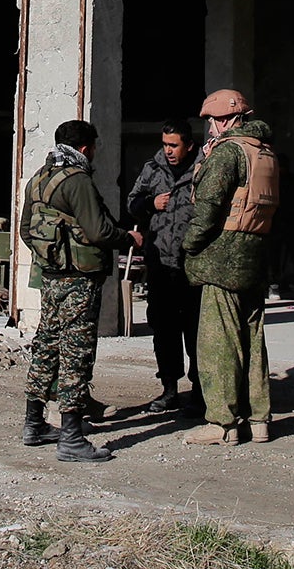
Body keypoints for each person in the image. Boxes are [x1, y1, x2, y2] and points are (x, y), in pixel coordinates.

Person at [19, 119, 140, 463]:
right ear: (85, 148)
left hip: (51, 278)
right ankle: (71, 436)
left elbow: (27, 230)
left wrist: (51, 256)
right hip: (78, 280)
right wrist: (128, 238)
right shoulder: (78, 180)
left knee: (46, 346)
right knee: (76, 352)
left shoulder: (40, 178)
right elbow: (99, 230)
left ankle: (34, 423)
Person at [181, 89, 280, 446]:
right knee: (253, 340)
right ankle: (259, 420)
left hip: (222, 259)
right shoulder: (264, 149)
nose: (209, 127)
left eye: (211, 120)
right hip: (254, 256)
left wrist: (190, 244)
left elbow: (207, 207)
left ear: (223, 120)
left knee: (217, 342)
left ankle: (222, 423)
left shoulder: (227, 152)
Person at [126, 120, 200, 413]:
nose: (168, 150)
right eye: (165, 144)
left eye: (174, 145)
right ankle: (169, 388)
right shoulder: (152, 168)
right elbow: (132, 204)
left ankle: (200, 389)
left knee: (195, 330)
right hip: (160, 263)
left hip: (193, 265)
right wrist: (150, 203)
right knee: (164, 328)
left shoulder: (202, 169)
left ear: (189, 145)